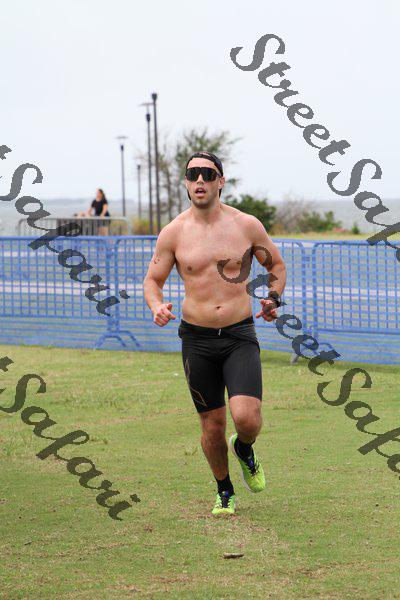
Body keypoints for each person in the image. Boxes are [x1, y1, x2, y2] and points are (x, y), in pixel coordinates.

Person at [143, 152, 286, 516]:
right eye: (193, 174)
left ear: (221, 181)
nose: (200, 180)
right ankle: (224, 490)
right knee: (212, 424)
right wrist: (156, 305)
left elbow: (277, 266)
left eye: (208, 174)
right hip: (197, 339)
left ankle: (244, 447)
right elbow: (153, 281)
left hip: (239, 334)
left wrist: (272, 298)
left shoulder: (246, 225)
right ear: (186, 182)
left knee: (247, 418)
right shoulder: (174, 232)